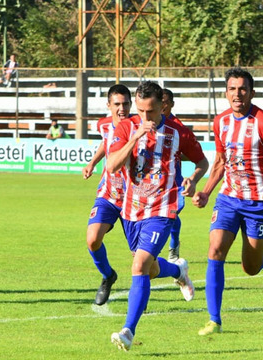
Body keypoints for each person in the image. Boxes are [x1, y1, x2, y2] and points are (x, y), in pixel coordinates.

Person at [107, 81, 209, 351]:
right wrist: (135, 136)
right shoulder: (127, 127)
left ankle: (128, 330)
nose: (144, 117)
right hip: (131, 210)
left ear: (162, 106)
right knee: (150, 270)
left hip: (163, 207)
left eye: (150, 112)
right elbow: (112, 165)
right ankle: (178, 270)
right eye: (139, 110)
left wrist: (193, 180)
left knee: (139, 266)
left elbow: (202, 162)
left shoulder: (178, 132)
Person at [192, 67, 263, 336]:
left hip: (257, 202)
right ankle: (214, 320)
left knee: (251, 268)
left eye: (243, 89)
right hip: (228, 198)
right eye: (233, 89)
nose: (238, 94)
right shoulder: (220, 122)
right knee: (215, 251)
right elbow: (221, 162)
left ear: (252, 92)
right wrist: (206, 191)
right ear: (226, 93)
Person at [81, 84, 133, 306]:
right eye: (117, 104)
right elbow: (106, 142)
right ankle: (108, 276)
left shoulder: (138, 126)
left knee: (141, 258)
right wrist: (93, 162)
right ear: (109, 106)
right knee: (93, 239)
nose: (122, 108)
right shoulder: (103, 125)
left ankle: (176, 271)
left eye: (125, 104)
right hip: (109, 193)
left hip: (135, 198)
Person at [162, 89, 185, 262]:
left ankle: (173, 245)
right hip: (155, 181)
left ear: (171, 104)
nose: (161, 105)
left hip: (175, 183)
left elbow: (189, 153)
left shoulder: (178, 127)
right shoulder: (150, 122)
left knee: (173, 213)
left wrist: (173, 152)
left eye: (165, 102)